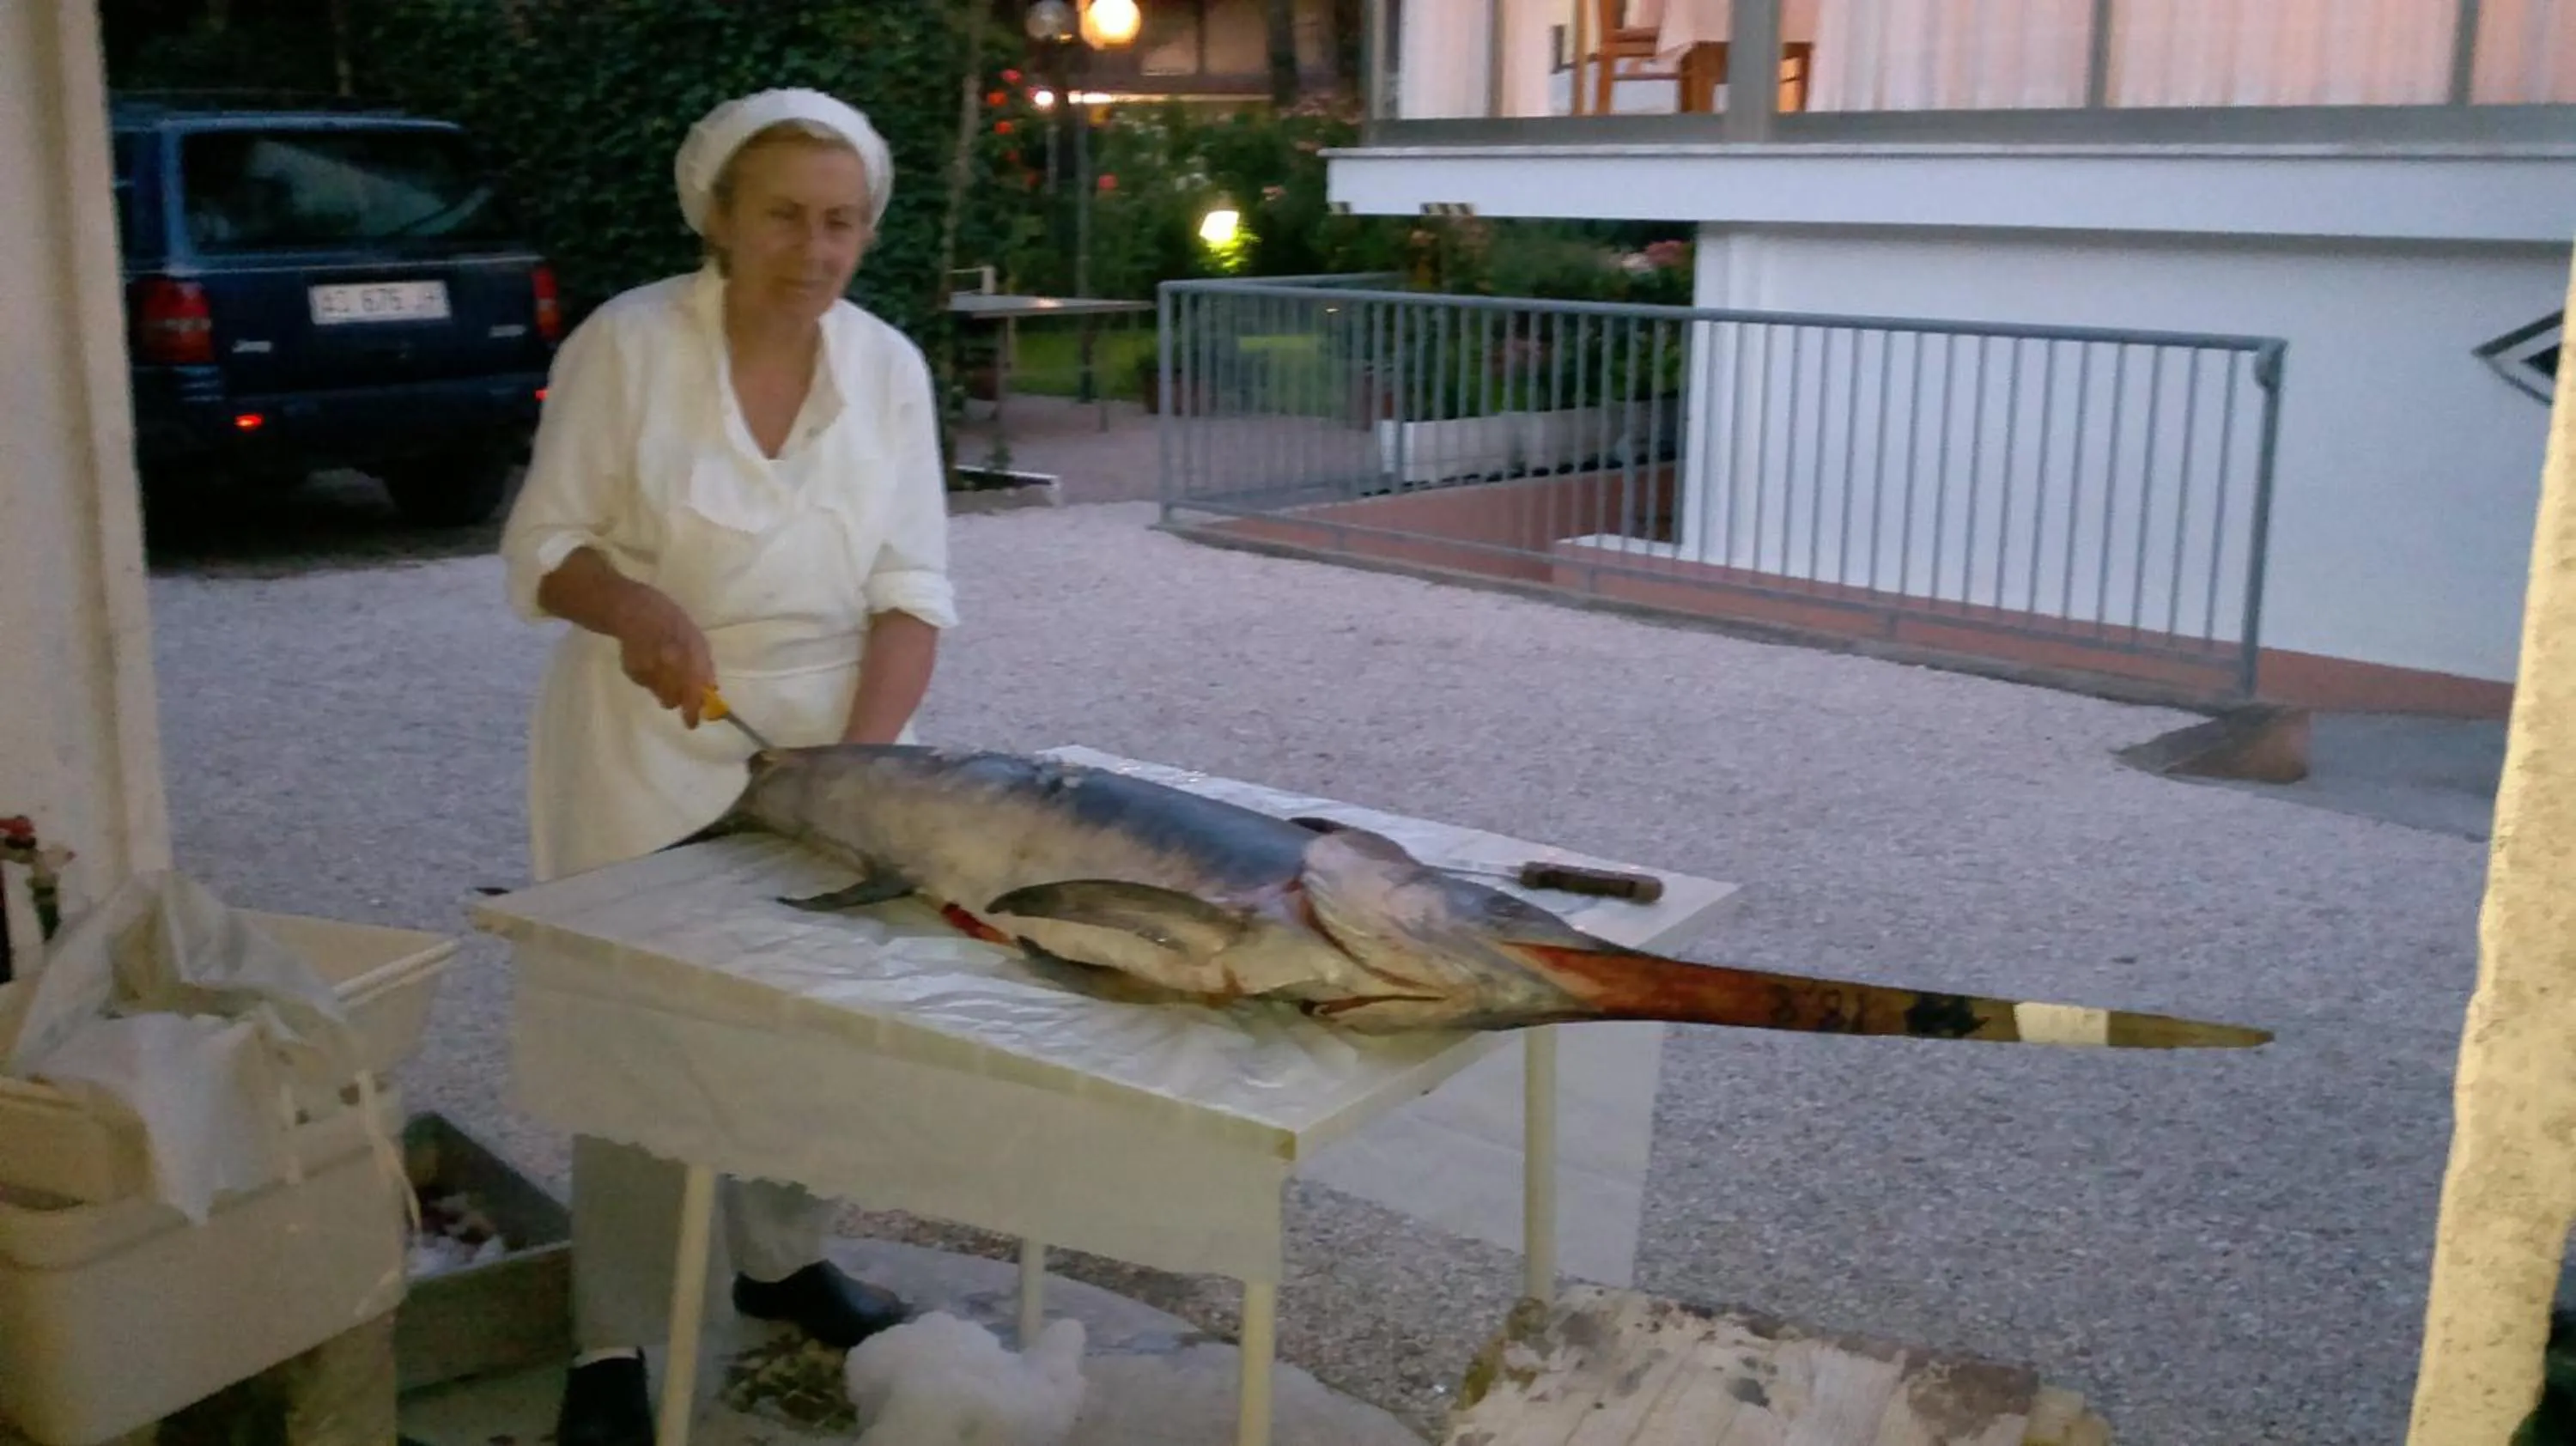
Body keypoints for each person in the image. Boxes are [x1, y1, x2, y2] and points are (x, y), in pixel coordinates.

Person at [496, 88, 958, 1446]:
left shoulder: (888, 369)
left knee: (804, 1021)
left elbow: (914, 588)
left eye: (842, 222)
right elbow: (547, 543)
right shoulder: (628, 347)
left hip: (831, 733)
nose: (813, 249)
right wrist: (631, 608)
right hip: (650, 730)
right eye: (784, 217)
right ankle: (615, 1336)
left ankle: (780, 1261)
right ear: (715, 216)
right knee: (640, 1032)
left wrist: (858, 767)